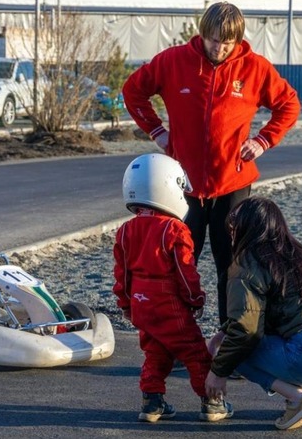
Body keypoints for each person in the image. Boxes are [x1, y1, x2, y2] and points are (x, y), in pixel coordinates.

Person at [122, 1, 301, 326]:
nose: (219, 48)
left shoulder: (255, 68)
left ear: (237, 40)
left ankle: (229, 336)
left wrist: (263, 140)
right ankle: (177, 333)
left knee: (231, 264)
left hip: (232, 183)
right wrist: (157, 131)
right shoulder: (173, 61)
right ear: (202, 34)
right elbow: (133, 91)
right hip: (182, 185)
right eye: (213, 40)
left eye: (227, 42)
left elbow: (288, 104)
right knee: (177, 259)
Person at [204, 197, 302, 430]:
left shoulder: (247, 263)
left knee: (236, 351)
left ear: (244, 228)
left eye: (233, 227)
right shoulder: (300, 254)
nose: (230, 233)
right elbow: (288, 313)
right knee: (295, 331)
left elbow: (245, 332)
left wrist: (217, 372)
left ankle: (297, 400)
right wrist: (221, 333)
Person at [111, 153, 233, 423]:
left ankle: (151, 402)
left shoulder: (125, 230)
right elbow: (185, 271)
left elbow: (122, 274)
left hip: (141, 302)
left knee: (156, 351)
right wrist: (195, 299)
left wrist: (126, 304)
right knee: (195, 352)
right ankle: (212, 403)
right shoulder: (174, 229)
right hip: (168, 303)